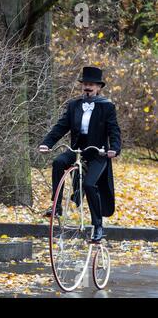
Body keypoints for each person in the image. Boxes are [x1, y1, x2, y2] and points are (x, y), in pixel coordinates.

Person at [39, 66, 121, 242]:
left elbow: (114, 130)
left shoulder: (106, 107)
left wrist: (114, 148)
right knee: (58, 162)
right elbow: (61, 127)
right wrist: (47, 143)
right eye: (85, 84)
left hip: (98, 152)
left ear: (98, 87)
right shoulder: (74, 105)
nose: (88, 87)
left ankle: (98, 225)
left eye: (91, 84)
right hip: (78, 150)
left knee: (91, 185)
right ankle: (57, 205)